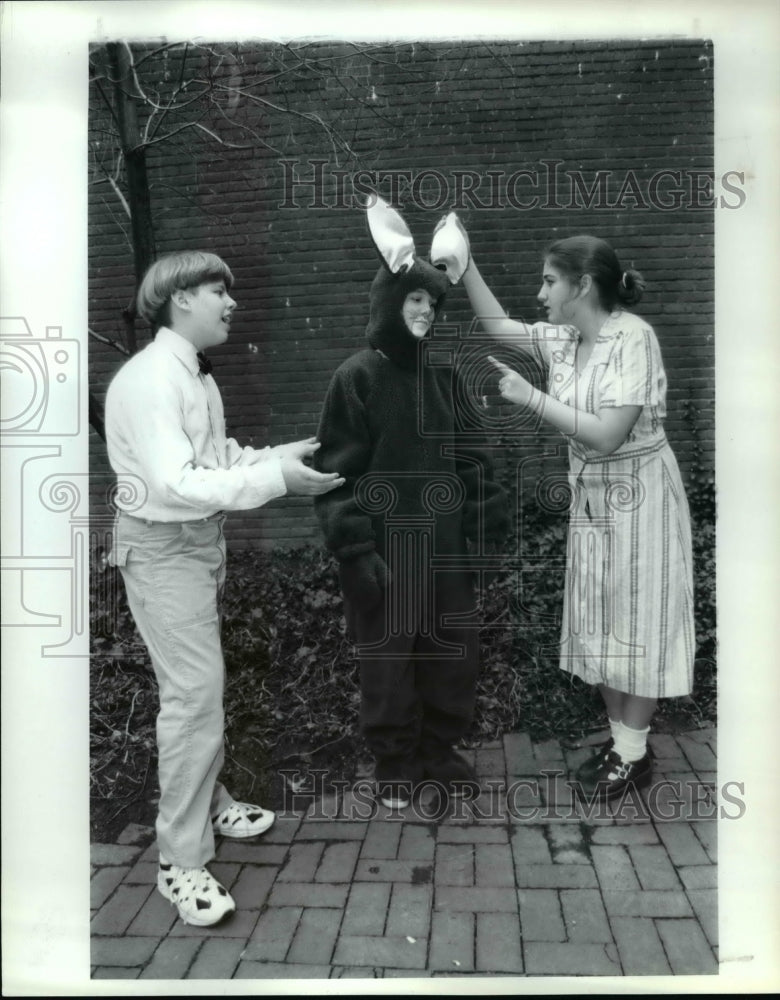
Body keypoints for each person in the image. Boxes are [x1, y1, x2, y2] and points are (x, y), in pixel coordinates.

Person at [104, 250, 344, 926]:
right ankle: (179, 861)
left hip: (194, 546)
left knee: (198, 690)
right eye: (218, 290)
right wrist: (276, 482)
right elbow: (179, 483)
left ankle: (209, 802)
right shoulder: (152, 380)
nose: (230, 302)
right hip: (162, 550)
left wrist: (280, 457)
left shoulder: (193, 377)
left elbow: (217, 461)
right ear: (180, 298)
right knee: (192, 697)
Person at [435, 227, 695, 801]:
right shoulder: (562, 337)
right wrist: (467, 264)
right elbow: (501, 328)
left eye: (549, 281)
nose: (540, 292)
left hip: (641, 497)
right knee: (599, 618)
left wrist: (533, 399)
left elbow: (607, 435)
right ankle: (622, 741)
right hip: (593, 500)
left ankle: (631, 754)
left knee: (640, 623)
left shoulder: (634, 338)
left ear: (582, 285)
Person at [313, 199, 508, 810]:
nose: (425, 311)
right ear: (388, 304)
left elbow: (475, 462)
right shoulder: (357, 378)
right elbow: (335, 471)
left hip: (445, 547)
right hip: (386, 550)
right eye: (414, 300)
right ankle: (395, 759)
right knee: (389, 657)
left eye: (433, 302)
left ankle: (438, 751)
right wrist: (355, 548)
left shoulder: (445, 380)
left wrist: (484, 529)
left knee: (451, 650)